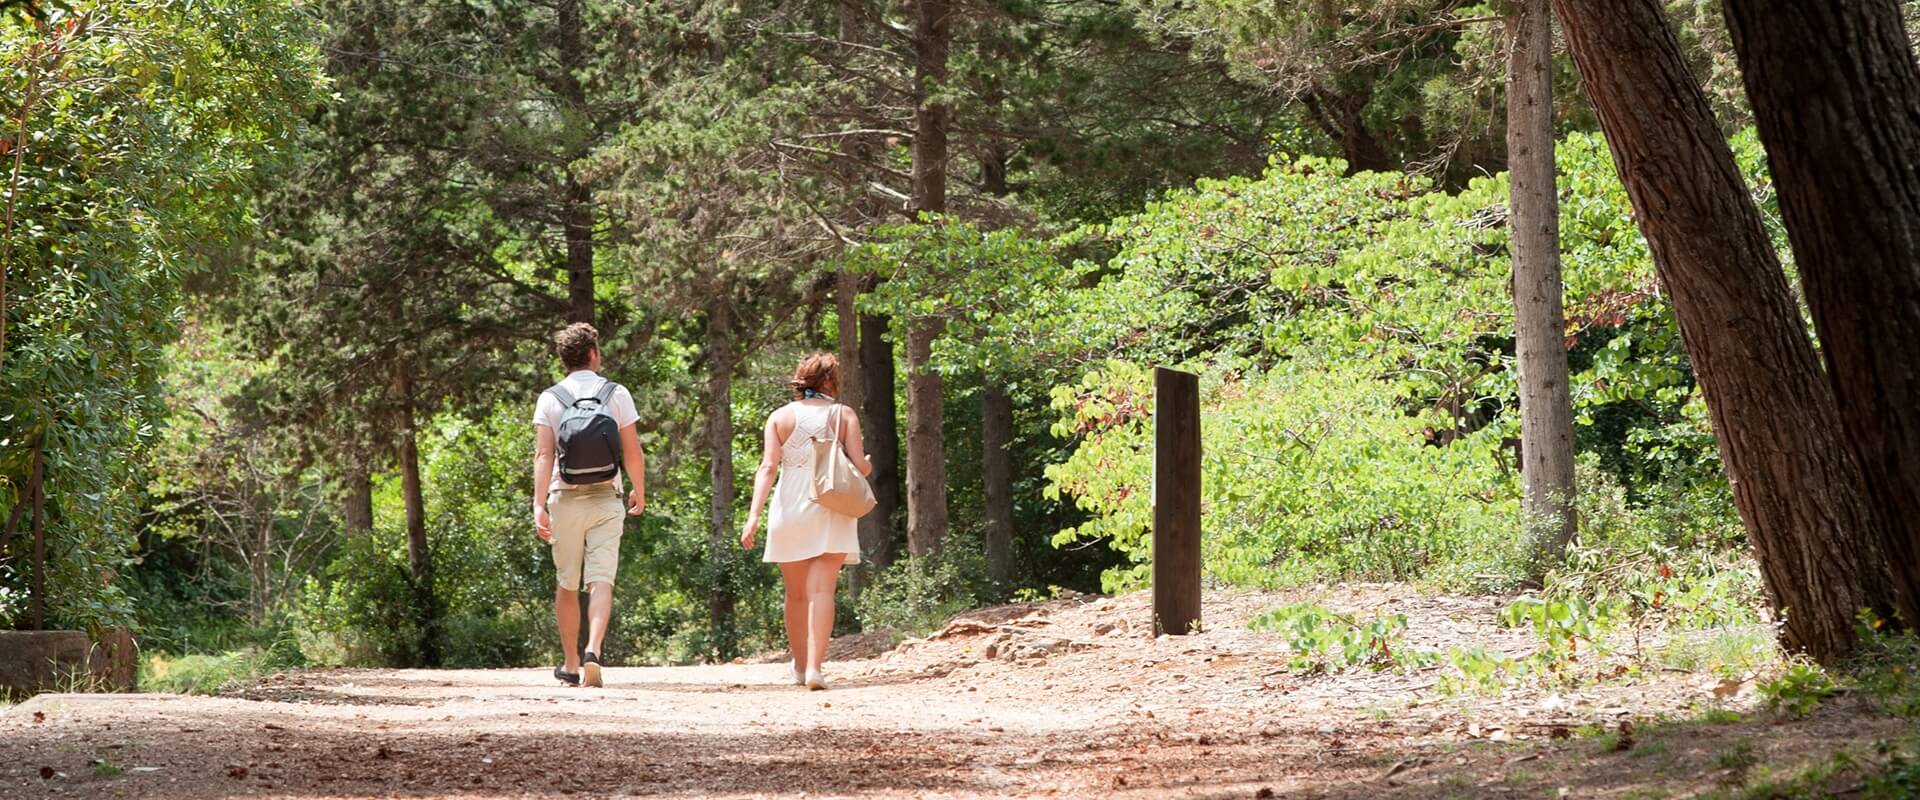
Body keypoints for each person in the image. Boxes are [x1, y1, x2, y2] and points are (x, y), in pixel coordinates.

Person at [739, 353, 871, 690]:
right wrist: (865, 464)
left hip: (789, 505)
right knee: (823, 589)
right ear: (830, 380)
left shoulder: (779, 417)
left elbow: (768, 467)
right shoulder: (843, 415)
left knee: (795, 595)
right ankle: (815, 668)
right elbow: (860, 466)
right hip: (830, 504)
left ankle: (798, 667)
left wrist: (754, 515)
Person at [532, 323, 644, 688]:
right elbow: (631, 449)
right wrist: (638, 488)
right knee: (601, 579)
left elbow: (543, 454)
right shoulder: (616, 393)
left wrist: (538, 504)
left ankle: (569, 663)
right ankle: (593, 650)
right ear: (594, 353)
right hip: (605, 497)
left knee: (567, 582)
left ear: (564, 358)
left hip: (563, 499)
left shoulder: (550, 398)